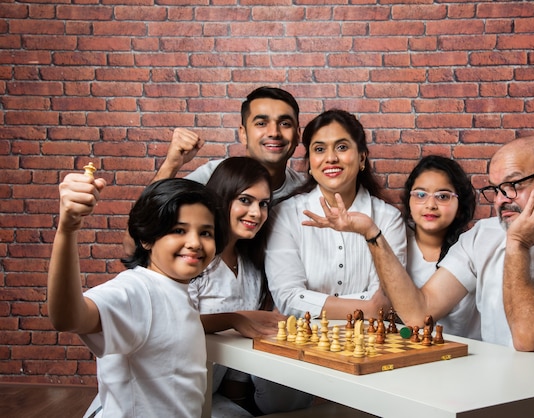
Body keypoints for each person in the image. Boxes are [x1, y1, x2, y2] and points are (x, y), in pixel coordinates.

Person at [303, 136, 534, 372]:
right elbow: (420, 314)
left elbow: (529, 338)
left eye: (514, 185)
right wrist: (371, 233)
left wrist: (518, 244)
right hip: (504, 396)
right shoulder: (485, 234)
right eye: (496, 189)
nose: (502, 200)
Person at [48, 173, 227, 417]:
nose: (195, 242)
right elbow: (69, 318)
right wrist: (67, 229)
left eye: (206, 233)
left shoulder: (176, 289)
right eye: (178, 230)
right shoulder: (137, 289)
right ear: (146, 238)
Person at [188, 157, 313, 416]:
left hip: (213, 394)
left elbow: (240, 355)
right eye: (245, 200)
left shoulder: (253, 266)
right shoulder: (191, 255)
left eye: (263, 204)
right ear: (222, 197)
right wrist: (234, 319)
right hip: (171, 392)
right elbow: (168, 321)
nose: (257, 213)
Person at [122, 86, 303, 256]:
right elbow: (133, 246)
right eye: (261, 123)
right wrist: (171, 165)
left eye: (285, 123)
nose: (274, 132)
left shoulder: (307, 190)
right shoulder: (212, 178)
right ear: (243, 134)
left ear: (297, 135)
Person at [265, 109, 407, 320]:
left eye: (341, 147)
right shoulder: (284, 214)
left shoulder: (389, 219)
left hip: (371, 342)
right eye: (319, 149)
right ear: (311, 163)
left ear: (361, 158)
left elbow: (388, 299)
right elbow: (288, 297)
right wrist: (367, 309)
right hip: (304, 341)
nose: (330, 158)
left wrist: (312, 302)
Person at [399, 155, 480, 339]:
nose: (430, 205)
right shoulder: (395, 243)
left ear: (460, 205)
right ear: (408, 200)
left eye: (443, 196)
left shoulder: (471, 248)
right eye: (420, 195)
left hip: (463, 357)